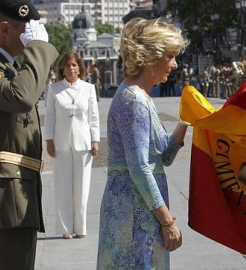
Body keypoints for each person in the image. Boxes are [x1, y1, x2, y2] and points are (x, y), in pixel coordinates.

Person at [96, 17, 189, 269]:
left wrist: (187, 121)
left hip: (141, 207)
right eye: (170, 56)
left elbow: (164, 157)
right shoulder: (134, 100)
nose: (174, 64)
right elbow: (139, 167)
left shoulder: (141, 97)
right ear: (151, 57)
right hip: (134, 209)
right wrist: (168, 221)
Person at [0, 0, 58, 269]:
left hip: (13, 195)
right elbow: (22, 97)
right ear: (5, 28)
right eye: (26, 33)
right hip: (1, 200)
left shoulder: (8, 68)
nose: (31, 39)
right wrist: (38, 49)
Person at [44, 51, 100, 240]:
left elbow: (93, 117)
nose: (71, 68)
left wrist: (95, 140)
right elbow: (50, 117)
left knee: (82, 187)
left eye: (74, 65)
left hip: (83, 142)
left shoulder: (88, 89)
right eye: (67, 65)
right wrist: (49, 140)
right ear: (62, 68)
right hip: (61, 142)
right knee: (63, 186)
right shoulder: (54, 89)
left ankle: (80, 228)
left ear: (80, 68)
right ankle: (65, 228)